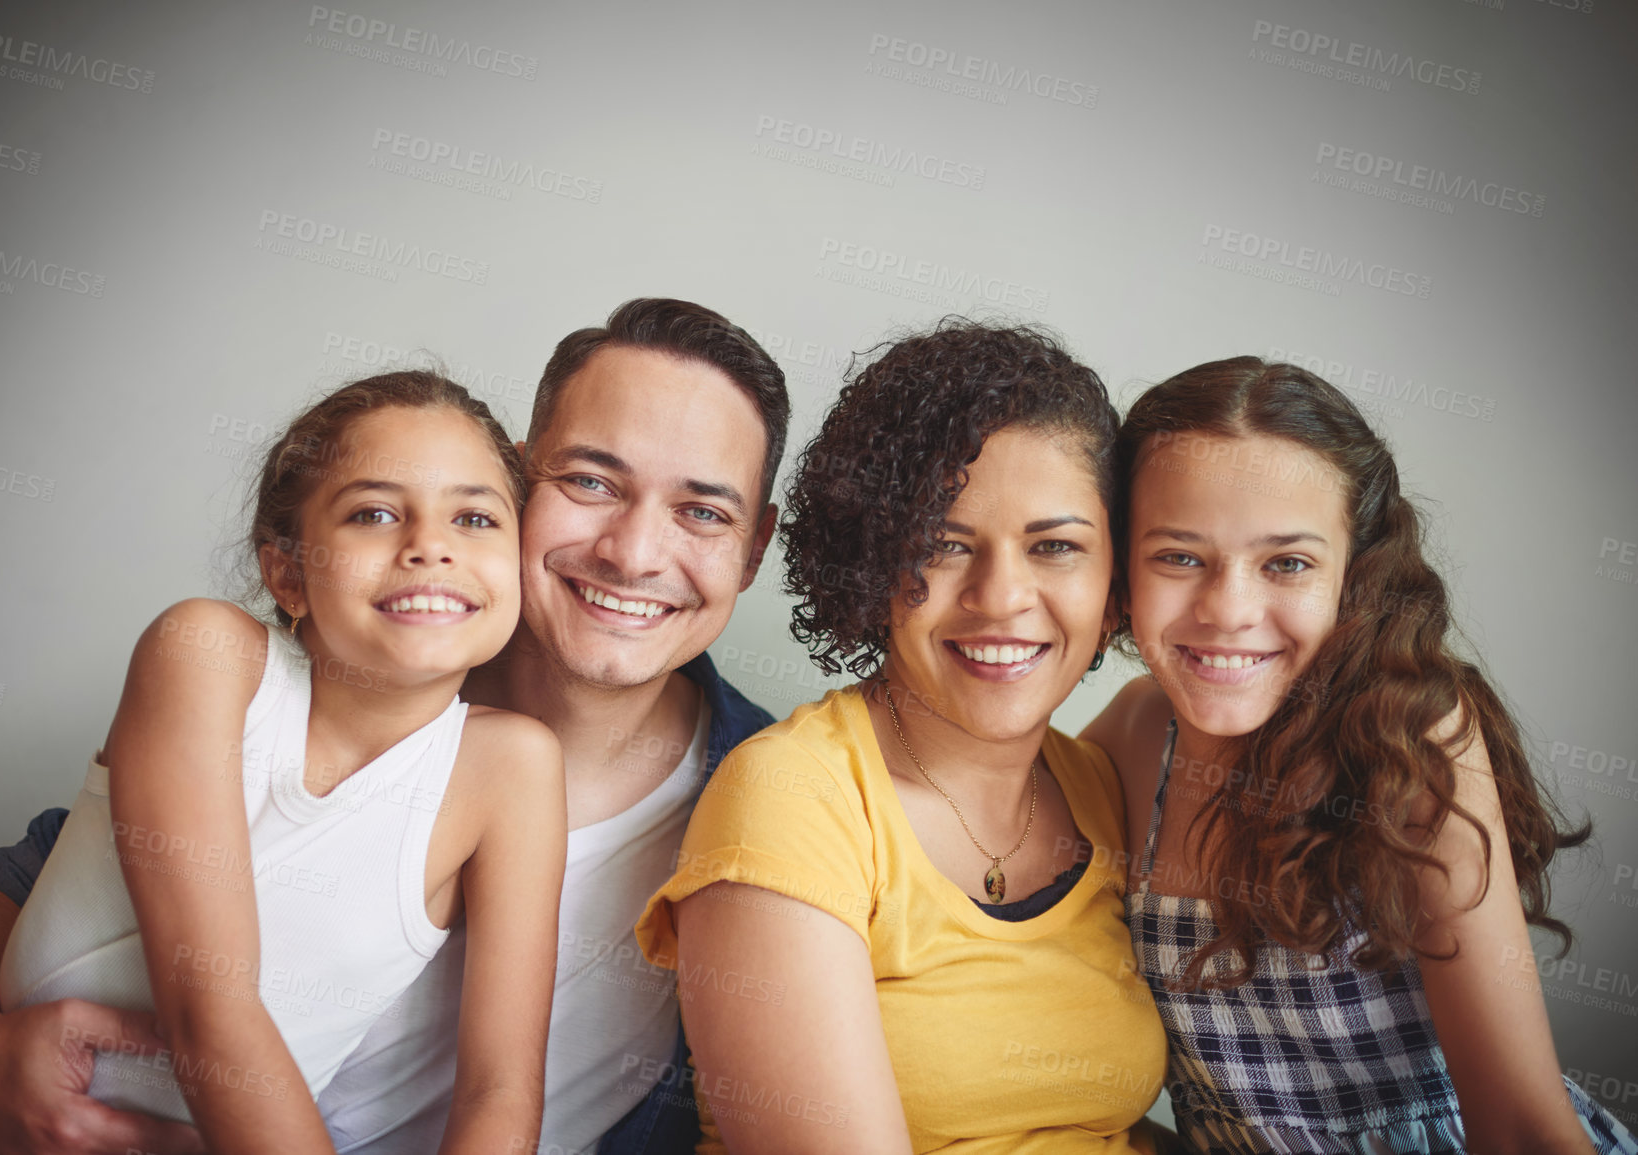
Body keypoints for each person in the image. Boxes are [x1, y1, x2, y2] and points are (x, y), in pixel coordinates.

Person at [0, 298, 790, 1155]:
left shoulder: (779, 822)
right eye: (591, 481)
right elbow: (38, 874)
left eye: (703, 510)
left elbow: (507, 1096)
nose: (631, 553)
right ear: (522, 485)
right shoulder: (343, 666)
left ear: (754, 548)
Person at [0, 371, 565, 1153]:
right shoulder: (208, 655)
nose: (430, 544)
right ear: (286, 572)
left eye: (474, 517)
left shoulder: (514, 769)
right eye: (373, 513)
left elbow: (499, 1089)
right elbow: (208, 1009)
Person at [1081, 357, 1637, 1155]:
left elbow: (1521, 1127)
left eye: (1287, 563)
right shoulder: (1134, 735)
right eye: (1178, 555)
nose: (1228, 610)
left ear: (1354, 577)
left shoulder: (1416, 741)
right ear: (1120, 568)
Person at [636, 320, 1169, 1153]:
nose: (1001, 596)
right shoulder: (791, 795)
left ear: (1115, 583)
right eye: (943, 544)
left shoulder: (1101, 785)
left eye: (1055, 546)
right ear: (871, 561)